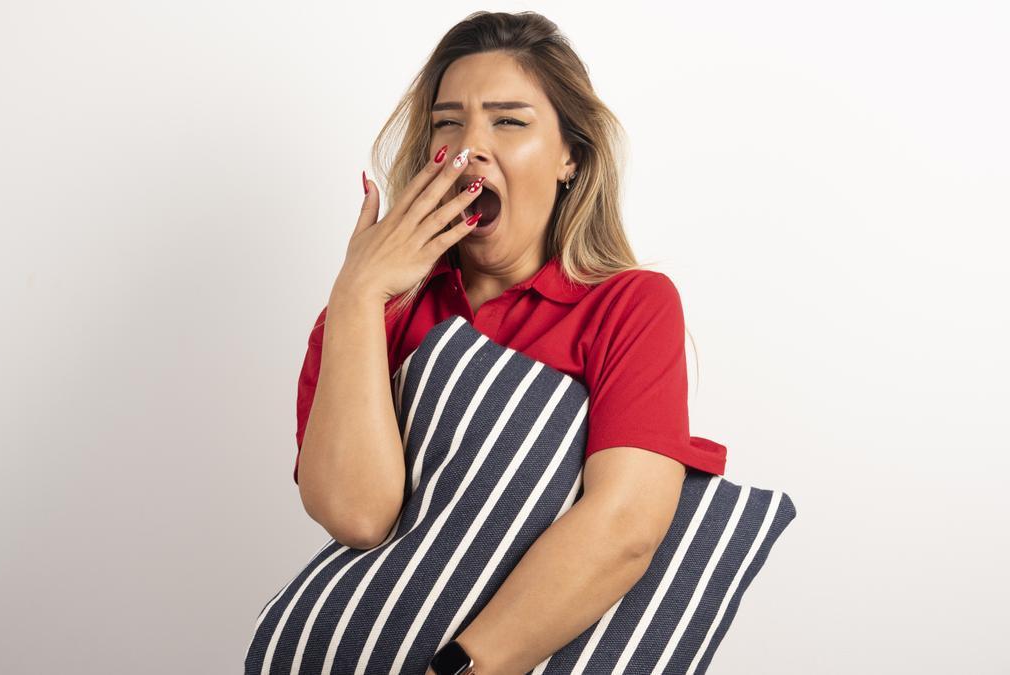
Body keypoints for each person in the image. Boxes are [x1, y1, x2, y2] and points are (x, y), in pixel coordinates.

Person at [290, 11, 727, 674]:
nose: (469, 147)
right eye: (447, 123)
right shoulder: (371, 314)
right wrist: (357, 292)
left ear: (569, 156)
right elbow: (358, 517)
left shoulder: (630, 305)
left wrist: (457, 667)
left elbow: (625, 528)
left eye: (509, 122)